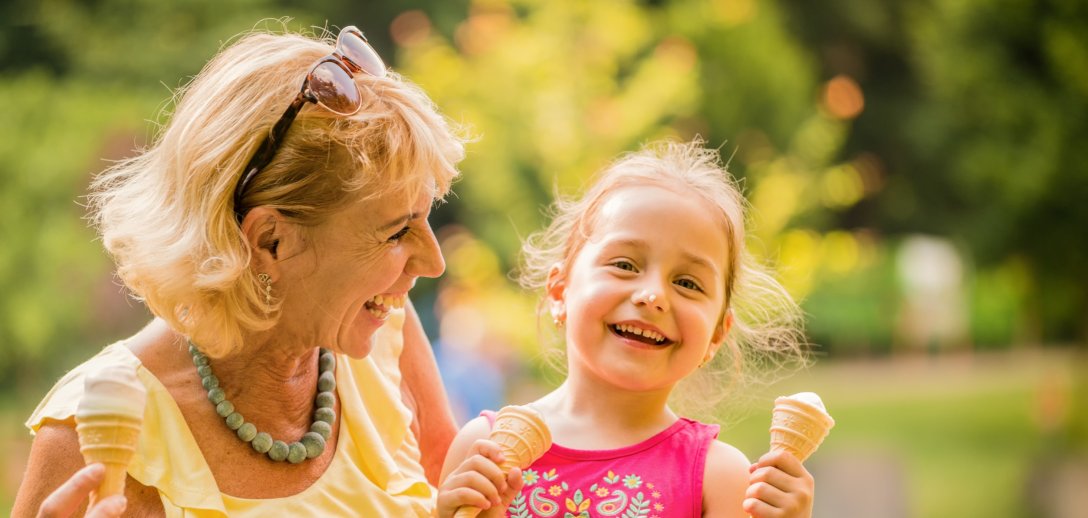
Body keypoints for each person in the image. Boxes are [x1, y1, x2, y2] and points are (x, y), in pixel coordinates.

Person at [13, 24, 466, 516]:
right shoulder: (93, 429)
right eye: (397, 232)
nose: (434, 262)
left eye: (427, 216)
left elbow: (454, 491)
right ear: (270, 241)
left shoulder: (381, 332)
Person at [437, 140, 814, 517]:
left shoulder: (719, 478)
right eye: (624, 265)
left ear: (716, 334)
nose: (652, 295)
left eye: (687, 283)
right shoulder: (484, 450)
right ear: (559, 290)